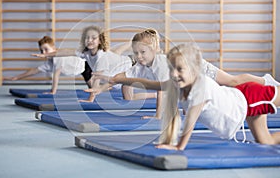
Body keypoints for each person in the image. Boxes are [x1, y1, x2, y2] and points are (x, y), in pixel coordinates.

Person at [96, 43, 280, 150]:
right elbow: (153, 84)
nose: (174, 74)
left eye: (180, 70)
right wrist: (118, 79)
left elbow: (190, 120)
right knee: (266, 142)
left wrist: (178, 146)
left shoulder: (201, 87)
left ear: (194, 70)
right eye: (172, 69)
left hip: (250, 98)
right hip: (242, 103)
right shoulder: (178, 85)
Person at [32, 26, 133, 102]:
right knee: (116, 54)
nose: (89, 40)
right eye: (87, 38)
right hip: (118, 71)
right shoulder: (85, 52)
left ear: (99, 41)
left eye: (93, 38)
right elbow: (66, 52)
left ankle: (133, 44)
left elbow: (96, 81)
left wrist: (90, 99)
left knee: (128, 99)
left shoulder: (101, 58)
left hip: (129, 67)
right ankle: (131, 43)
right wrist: (47, 55)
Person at [5, 36, 87, 94]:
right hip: (81, 70)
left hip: (86, 65)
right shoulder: (50, 63)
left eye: (46, 49)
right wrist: (17, 77)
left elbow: (56, 75)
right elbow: (35, 70)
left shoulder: (59, 57)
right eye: (41, 50)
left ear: (54, 48)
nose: (44, 53)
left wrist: (53, 91)